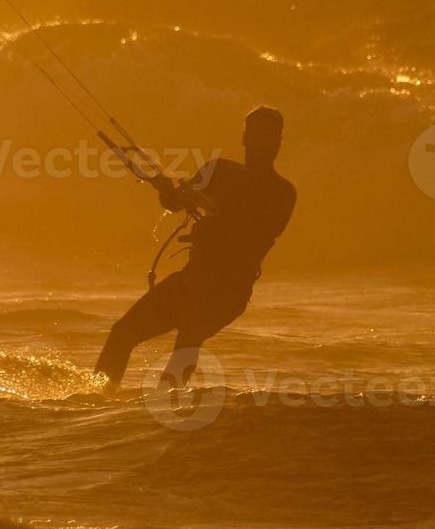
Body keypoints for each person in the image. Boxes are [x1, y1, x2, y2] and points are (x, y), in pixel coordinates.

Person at [95, 107, 296, 389]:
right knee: (122, 333)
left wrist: (210, 204)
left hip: (230, 291)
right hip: (193, 279)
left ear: (279, 142)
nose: (265, 143)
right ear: (245, 138)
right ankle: (97, 401)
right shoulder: (218, 170)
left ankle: (167, 407)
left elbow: (260, 230)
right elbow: (175, 203)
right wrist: (167, 189)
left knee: (189, 336)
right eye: (257, 135)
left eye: (271, 136)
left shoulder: (282, 192)